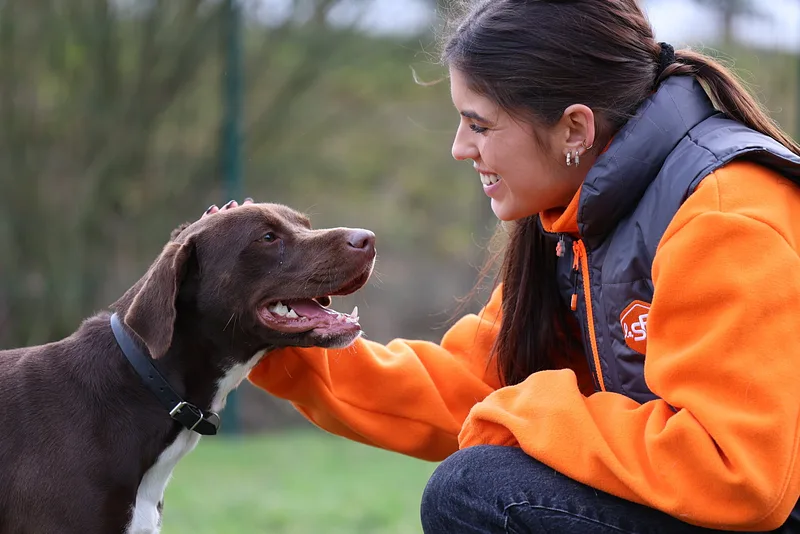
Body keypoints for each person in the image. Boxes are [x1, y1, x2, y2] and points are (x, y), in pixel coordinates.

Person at [208, 1, 800, 532]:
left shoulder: (724, 216)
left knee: (480, 491)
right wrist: (276, 335)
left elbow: (738, 472)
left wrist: (531, 411)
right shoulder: (575, 219)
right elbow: (472, 386)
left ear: (574, 128)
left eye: (480, 125)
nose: (460, 147)